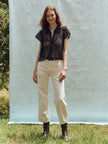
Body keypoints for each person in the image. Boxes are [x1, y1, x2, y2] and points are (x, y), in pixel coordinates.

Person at [33, 5, 71, 141]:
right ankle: (45, 129)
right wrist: (35, 69)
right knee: (43, 96)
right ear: (45, 17)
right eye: (48, 16)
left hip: (57, 66)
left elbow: (65, 51)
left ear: (56, 15)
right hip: (42, 65)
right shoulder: (43, 32)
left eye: (52, 15)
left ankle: (64, 130)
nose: (50, 18)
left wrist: (64, 68)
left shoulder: (64, 30)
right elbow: (39, 51)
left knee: (60, 98)